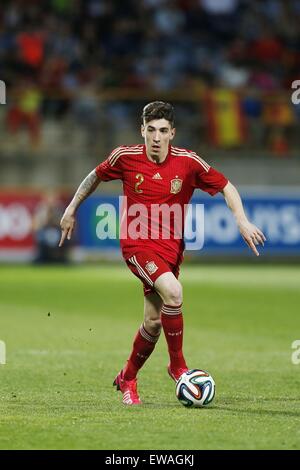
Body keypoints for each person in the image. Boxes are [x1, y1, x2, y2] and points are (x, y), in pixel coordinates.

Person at [59, 101, 266, 406]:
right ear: (142, 130)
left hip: (171, 249)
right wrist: (71, 208)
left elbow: (226, 186)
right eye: (151, 130)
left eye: (163, 131)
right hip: (136, 243)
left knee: (154, 321)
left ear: (173, 133)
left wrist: (242, 219)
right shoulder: (125, 157)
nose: (156, 137)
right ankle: (178, 366)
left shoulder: (188, 162)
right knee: (174, 291)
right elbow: (94, 176)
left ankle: (127, 377)